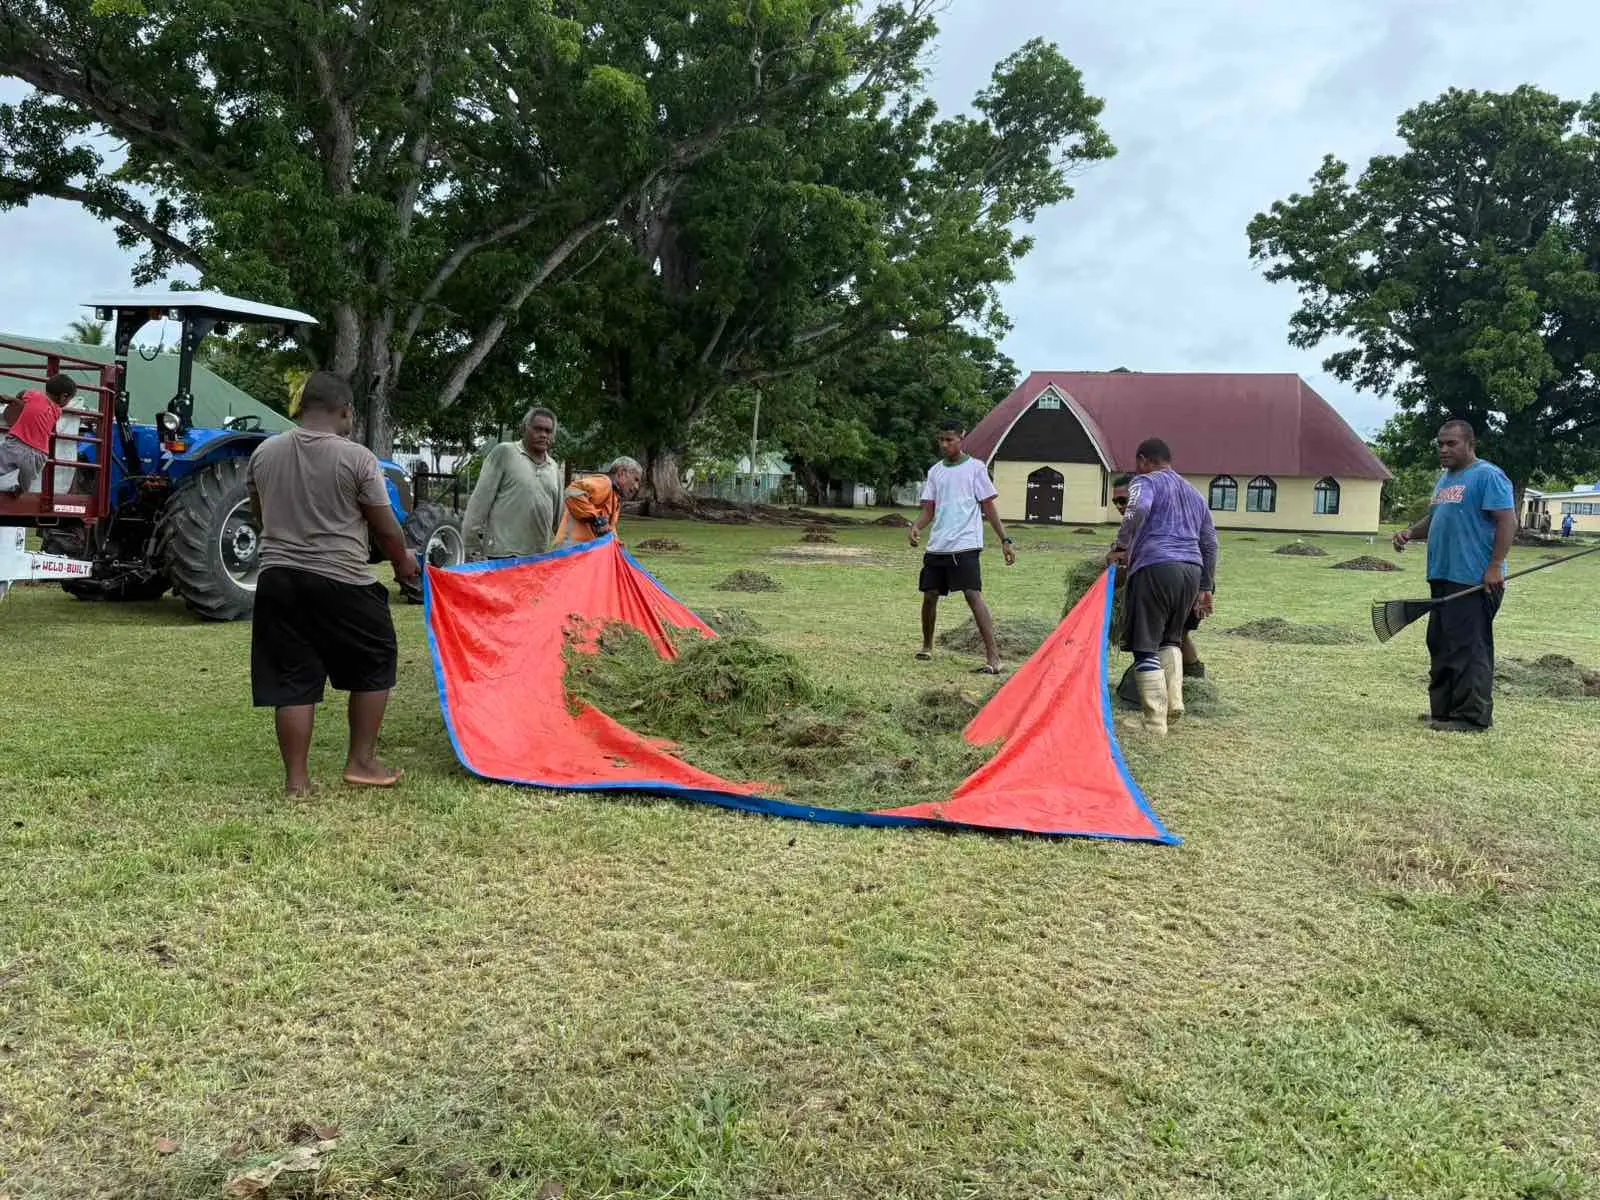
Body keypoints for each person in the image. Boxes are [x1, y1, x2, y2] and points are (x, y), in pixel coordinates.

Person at [246, 371, 420, 795]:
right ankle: (361, 762)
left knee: (293, 680)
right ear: (345, 411)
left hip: (277, 579)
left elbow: (258, 514)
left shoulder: (264, 453)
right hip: (342, 579)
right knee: (375, 662)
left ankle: (297, 782)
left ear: (303, 408)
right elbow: (385, 527)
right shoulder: (358, 458)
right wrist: (403, 564)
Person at [1393, 419, 1516, 733]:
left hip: (1474, 578)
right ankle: (1444, 711)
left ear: (1470, 444)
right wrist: (1410, 532)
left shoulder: (1488, 475)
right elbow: (1436, 517)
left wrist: (1494, 566)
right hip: (1443, 574)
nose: (1444, 449)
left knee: (1469, 647)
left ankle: (1471, 717)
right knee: (1441, 643)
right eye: (1440, 444)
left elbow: (1507, 521)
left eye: (1451, 443)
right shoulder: (1445, 480)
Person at [1105, 438, 1219, 733]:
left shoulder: (1146, 482)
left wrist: (1121, 544)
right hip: (1191, 571)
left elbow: (1138, 508)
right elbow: (1210, 543)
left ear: (1144, 460)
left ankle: (1153, 720)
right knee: (1171, 639)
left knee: (1145, 645)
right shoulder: (1195, 494)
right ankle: (1174, 703)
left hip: (1156, 565)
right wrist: (1205, 586)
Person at [908, 419, 1016, 674]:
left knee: (972, 594)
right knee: (930, 594)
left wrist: (1005, 540)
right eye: (941, 440)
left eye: (949, 439)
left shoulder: (976, 469)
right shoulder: (935, 471)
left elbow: (989, 507)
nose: (944, 444)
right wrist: (916, 527)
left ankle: (994, 658)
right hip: (938, 545)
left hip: (966, 543)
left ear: (961, 438)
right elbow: (929, 509)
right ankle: (927, 646)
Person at [1112, 473, 1207, 680]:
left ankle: (1170, 690)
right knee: (1175, 636)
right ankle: (1190, 682)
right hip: (1188, 575)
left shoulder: (1151, 520)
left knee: (1154, 639)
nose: (1120, 506)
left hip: (1175, 576)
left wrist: (1205, 588)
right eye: (1116, 502)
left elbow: (1207, 545)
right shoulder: (1167, 513)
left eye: (1124, 501)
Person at [462, 406, 562, 560]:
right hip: (502, 555)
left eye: (548, 431)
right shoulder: (505, 453)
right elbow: (479, 503)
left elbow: (559, 520)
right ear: (524, 429)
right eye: (538, 429)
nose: (543, 435)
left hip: (538, 557)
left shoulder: (554, 468)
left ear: (553, 436)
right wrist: (470, 547)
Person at [0, 373, 76, 495]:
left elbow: (23, 393)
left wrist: (14, 399)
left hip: (16, 445)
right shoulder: (57, 411)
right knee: (26, 480)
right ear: (63, 397)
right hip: (38, 455)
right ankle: (21, 489)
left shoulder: (33, 395)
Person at [555, 456, 643, 546]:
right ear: (622, 473)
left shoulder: (614, 497)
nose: (636, 487)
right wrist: (597, 520)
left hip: (584, 551)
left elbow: (608, 528)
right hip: (571, 550)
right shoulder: (605, 483)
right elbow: (572, 491)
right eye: (635, 479)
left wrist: (616, 544)